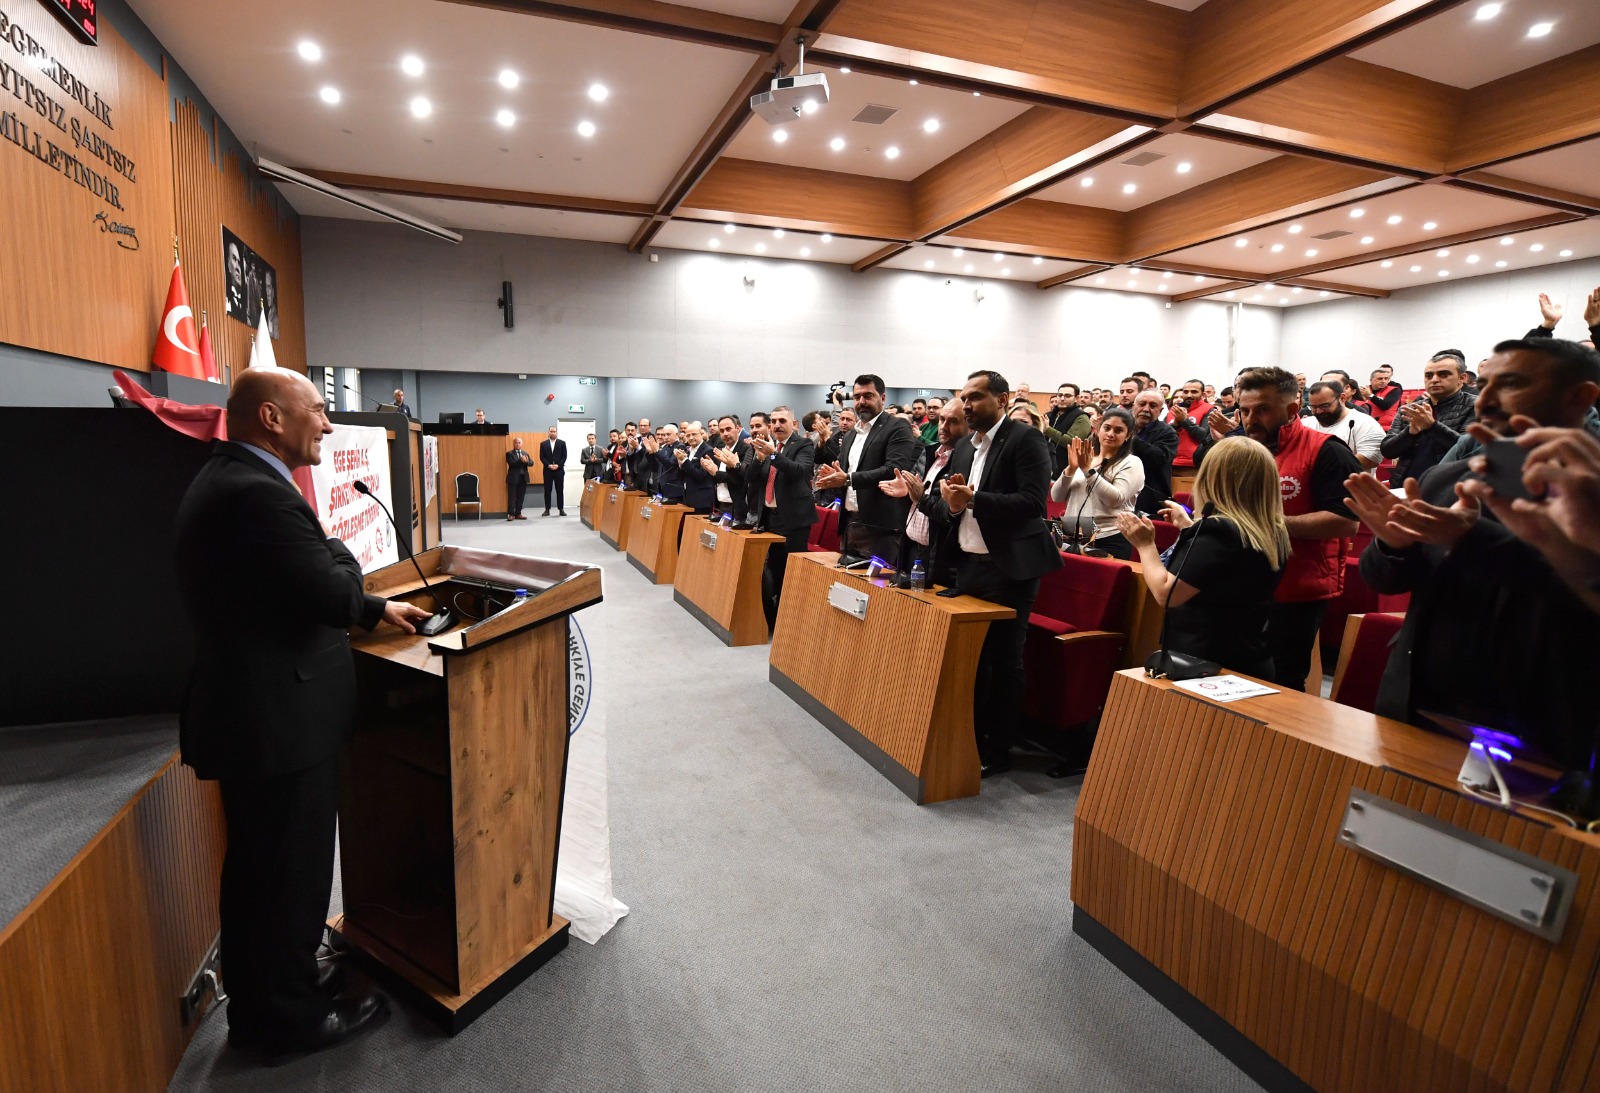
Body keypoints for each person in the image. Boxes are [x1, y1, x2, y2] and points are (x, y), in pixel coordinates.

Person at [173, 369, 431, 1064]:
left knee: (265, 870)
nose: (325, 422)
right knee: (285, 871)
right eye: (316, 410)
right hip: (275, 722)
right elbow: (328, 585)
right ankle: (284, 1021)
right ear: (270, 416)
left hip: (261, 713)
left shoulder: (235, 480)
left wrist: (366, 596)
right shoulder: (256, 495)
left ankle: (274, 985)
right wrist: (348, 572)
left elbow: (305, 577)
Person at [1348, 338, 1600, 773]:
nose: (1485, 399)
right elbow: (1384, 580)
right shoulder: (1447, 476)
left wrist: (1476, 541)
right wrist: (1393, 544)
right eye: (1483, 384)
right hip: (1418, 700)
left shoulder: (1591, 490)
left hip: (1545, 723)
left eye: (1512, 384)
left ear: (1579, 398)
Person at [921, 370, 1061, 776]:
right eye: (964, 397)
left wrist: (974, 498)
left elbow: (1033, 503)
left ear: (1001, 400)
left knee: (1003, 660)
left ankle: (999, 750)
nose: (967, 404)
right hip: (968, 564)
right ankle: (970, 735)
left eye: (976, 397)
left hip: (1010, 569)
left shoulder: (1025, 438)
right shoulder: (965, 446)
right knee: (971, 659)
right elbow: (956, 507)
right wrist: (952, 504)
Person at [1115, 436, 1290, 679]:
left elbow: (1167, 593)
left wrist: (1145, 545)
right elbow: (1222, 571)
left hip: (1203, 665)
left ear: (1213, 478)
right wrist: (1189, 527)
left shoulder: (1218, 532)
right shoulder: (1270, 529)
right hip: (1248, 658)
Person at [1233, 366, 1361, 690]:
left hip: (1298, 587)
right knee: (1238, 676)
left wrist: (1269, 525)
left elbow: (1347, 521)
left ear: (1291, 409)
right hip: (1247, 583)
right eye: (1244, 410)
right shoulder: (1244, 449)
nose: (1250, 419)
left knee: (1281, 681)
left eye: (1262, 409)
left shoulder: (1327, 450)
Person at [813, 374, 919, 566]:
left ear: (883, 398)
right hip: (849, 522)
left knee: (878, 590)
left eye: (868, 396)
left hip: (880, 526)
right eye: (857, 397)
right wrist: (832, 475)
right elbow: (843, 469)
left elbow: (893, 470)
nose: (861, 401)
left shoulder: (897, 427)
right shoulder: (851, 434)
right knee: (847, 587)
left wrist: (847, 479)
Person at [883, 400, 968, 587]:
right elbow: (916, 494)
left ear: (969, 425)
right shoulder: (929, 452)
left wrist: (920, 497)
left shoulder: (966, 461)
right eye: (942, 420)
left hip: (940, 557)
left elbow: (950, 513)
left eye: (952, 421)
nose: (943, 426)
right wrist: (906, 491)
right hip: (911, 547)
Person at [1050, 408, 1144, 559]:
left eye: (1118, 430)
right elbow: (1056, 497)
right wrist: (1071, 468)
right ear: (1099, 430)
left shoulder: (1131, 462)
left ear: (1128, 436)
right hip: (1073, 537)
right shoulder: (1086, 458)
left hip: (1108, 538)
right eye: (1106, 428)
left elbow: (1115, 499)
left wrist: (1087, 470)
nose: (1110, 434)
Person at [755, 406, 817, 628]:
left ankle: (791, 620)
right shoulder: (768, 447)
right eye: (773, 421)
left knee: (792, 573)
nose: (777, 425)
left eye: (782, 420)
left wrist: (773, 454)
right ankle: (774, 616)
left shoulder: (803, 444)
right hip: (770, 518)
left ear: (794, 424)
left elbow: (800, 470)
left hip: (795, 520)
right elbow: (755, 480)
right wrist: (759, 458)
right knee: (773, 568)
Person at [1380, 350, 1475, 483]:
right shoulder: (1409, 409)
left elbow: (1470, 451)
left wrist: (1432, 426)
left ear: (1461, 378)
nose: (1434, 380)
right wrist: (1411, 433)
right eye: (1429, 375)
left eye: (1443, 374)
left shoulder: (1476, 406)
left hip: (1449, 490)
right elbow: (1387, 451)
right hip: (1404, 487)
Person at [1305, 381, 1384, 468]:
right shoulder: (1305, 424)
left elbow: (1370, 460)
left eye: (1325, 406)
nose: (1319, 411)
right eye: (1313, 407)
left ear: (1342, 398)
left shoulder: (1366, 423)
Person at [1130, 389, 1178, 513]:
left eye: (1153, 406)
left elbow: (1159, 457)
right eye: (1142, 404)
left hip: (1150, 499)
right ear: (1134, 406)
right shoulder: (1123, 428)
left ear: (1161, 411)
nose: (1146, 409)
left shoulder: (1168, 433)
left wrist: (1131, 439)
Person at [1044, 383, 1093, 477]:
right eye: (1060, 395)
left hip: (1067, 470)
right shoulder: (1049, 415)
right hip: (1045, 465)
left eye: (1067, 396)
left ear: (1076, 398)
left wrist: (1047, 430)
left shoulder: (1082, 417)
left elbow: (1072, 441)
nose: (1062, 398)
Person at [1169, 378, 1213, 476]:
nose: (1189, 395)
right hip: (1170, 464)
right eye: (1186, 392)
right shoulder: (1174, 410)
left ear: (1203, 394)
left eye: (1194, 392)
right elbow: (1165, 436)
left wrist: (1185, 421)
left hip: (1194, 466)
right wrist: (1175, 424)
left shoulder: (1209, 410)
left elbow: (1205, 437)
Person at [680, 421, 716, 514]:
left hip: (702, 500)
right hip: (688, 497)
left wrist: (684, 461)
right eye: (688, 436)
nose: (691, 438)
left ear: (701, 434)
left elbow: (701, 476)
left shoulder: (708, 451)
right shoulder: (688, 450)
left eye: (694, 434)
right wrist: (680, 464)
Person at [1365, 365, 1405, 429]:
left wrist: (1370, 395)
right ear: (1371, 380)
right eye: (1380, 379)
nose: (1383, 381)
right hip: (1368, 426)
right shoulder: (1364, 390)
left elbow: (1385, 405)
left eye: (1386, 379)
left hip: (1387, 427)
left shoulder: (1394, 390)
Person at [539, 425, 567, 516]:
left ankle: (561, 509)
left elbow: (564, 456)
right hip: (548, 471)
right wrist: (548, 465)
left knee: (560, 490)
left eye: (554, 431)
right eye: (551, 431)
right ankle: (547, 509)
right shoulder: (543, 444)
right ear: (548, 432)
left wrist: (558, 465)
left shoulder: (562, 443)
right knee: (547, 490)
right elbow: (542, 457)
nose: (553, 433)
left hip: (559, 470)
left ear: (557, 432)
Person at [505, 437, 533, 519]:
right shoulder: (509, 453)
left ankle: (518, 513)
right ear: (513, 444)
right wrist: (520, 460)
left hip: (523, 478)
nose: (517, 444)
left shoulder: (525, 453)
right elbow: (512, 464)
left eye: (519, 443)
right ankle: (511, 514)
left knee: (521, 496)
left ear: (522, 444)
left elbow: (531, 463)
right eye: (516, 443)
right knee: (512, 497)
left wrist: (527, 461)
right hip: (513, 478)